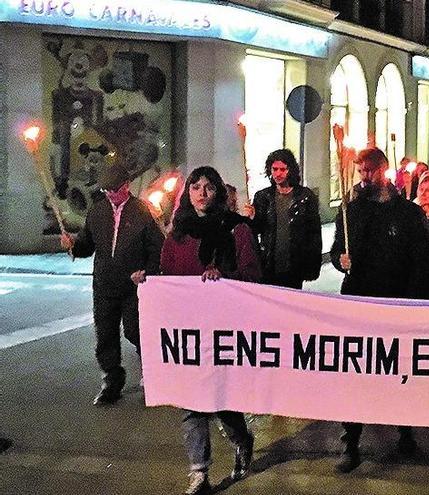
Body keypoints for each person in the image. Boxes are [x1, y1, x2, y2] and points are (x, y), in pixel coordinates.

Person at [159, 166, 261, 495]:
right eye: (195, 187)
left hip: (223, 331)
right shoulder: (178, 235)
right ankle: (199, 473)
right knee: (192, 403)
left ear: (218, 192)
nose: (202, 193)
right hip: (189, 333)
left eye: (209, 187)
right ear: (187, 194)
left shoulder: (237, 231)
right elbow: (167, 278)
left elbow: (253, 278)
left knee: (218, 400)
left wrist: (225, 281)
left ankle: (241, 439)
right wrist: (146, 282)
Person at [330, 147, 429, 473]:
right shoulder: (352, 211)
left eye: (370, 171)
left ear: (384, 170)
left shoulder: (408, 214)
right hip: (359, 302)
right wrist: (339, 260)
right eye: (360, 172)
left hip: (397, 303)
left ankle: (404, 430)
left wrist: (413, 304)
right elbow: (337, 251)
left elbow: (420, 263)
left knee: (398, 373)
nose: (364, 178)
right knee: (355, 374)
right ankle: (351, 440)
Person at [60, 164, 164, 406]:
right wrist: (73, 245)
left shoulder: (142, 212)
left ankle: (151, 370)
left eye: (114, 190)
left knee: (134, 330)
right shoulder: (97, 212)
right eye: (106, 191)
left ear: (126, 186)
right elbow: (87, 245)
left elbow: (156, 248)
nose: (110, 195)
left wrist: (147, 272)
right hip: (105, 284)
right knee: (105, 334)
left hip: (133, 286)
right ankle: (111, 379)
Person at [242, 149, 321, 289]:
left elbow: (313, 233)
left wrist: (312, 264)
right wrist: (253, 217)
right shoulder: (263, 196)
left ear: (290, 170)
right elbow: (256, 230)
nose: (278, 174)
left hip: (294, 262)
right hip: (269, 262)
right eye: (275, 169)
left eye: (283, 169)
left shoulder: (305, 196)